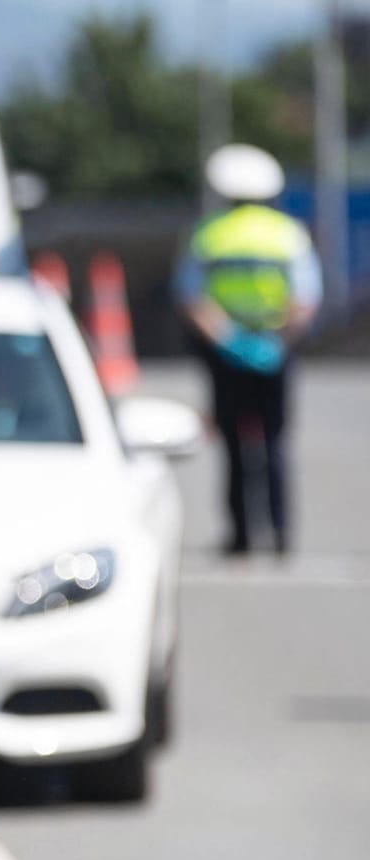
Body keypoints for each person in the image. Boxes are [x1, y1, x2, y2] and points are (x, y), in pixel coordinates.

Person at [174, 143, 322, 556]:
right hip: (276, 349)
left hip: (225, 352)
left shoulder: (208, 233)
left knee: (235, 445)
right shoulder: (287, 234)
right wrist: (276, 342)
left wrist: (230, 340)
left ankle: (240, 537)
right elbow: (305, 299)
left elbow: (192, 298)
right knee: (275, 441)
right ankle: (280, 534)